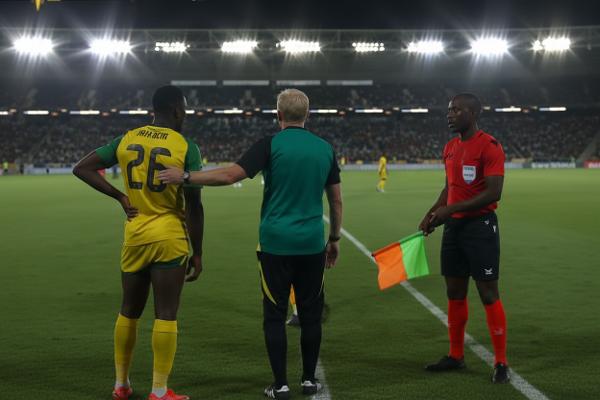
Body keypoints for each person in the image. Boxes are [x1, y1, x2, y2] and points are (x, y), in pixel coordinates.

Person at [159, 88, 343, 399]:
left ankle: (280, 385)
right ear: (307, 115)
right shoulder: (325, 148)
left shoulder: (269, 145)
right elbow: (336, 201)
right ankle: (309, 381)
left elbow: (230, 175)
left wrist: (186, 177)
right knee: (311, 315)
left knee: (274, 315)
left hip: (275, 245)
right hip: (312, 245)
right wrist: (334, 238)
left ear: (278, 115)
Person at [73, 85, 204, 400]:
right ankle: (159, 390)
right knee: (166, 313)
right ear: (177, 110)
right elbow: (194, 205)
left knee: (128, 311)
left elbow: (82, 168)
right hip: (169, 237)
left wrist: (120, 196)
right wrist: (198, 252)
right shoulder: (186, 147)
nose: (185, 115)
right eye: (185, 110)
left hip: (135, 234)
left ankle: (121, 384)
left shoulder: (128, 138)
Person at [418, 93, 509, 384]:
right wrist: (433, 213)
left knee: (488, 293)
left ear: (473, 113)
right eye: (449, 110)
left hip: (480, 227)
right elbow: (450, 188)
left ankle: (501, 362)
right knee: (454, 292)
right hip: (453, 228)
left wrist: (451, 209)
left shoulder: (489, 146)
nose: (450, 114)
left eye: (456, 110)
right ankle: (456, 355)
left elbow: (494, 192)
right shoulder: (449, 147)